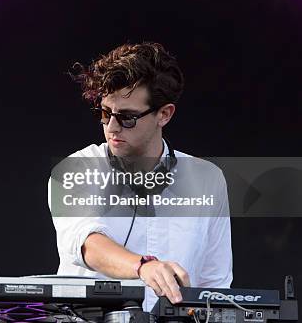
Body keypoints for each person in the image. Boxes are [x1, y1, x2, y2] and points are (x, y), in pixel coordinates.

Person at [48, 42, 232, 312]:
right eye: (105, 113)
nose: (111, 127)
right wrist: (143, 266)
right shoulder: (75, 170)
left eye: (127, 118)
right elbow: (88, 244)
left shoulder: (207, 180)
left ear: (164, 114)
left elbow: (215, 288)